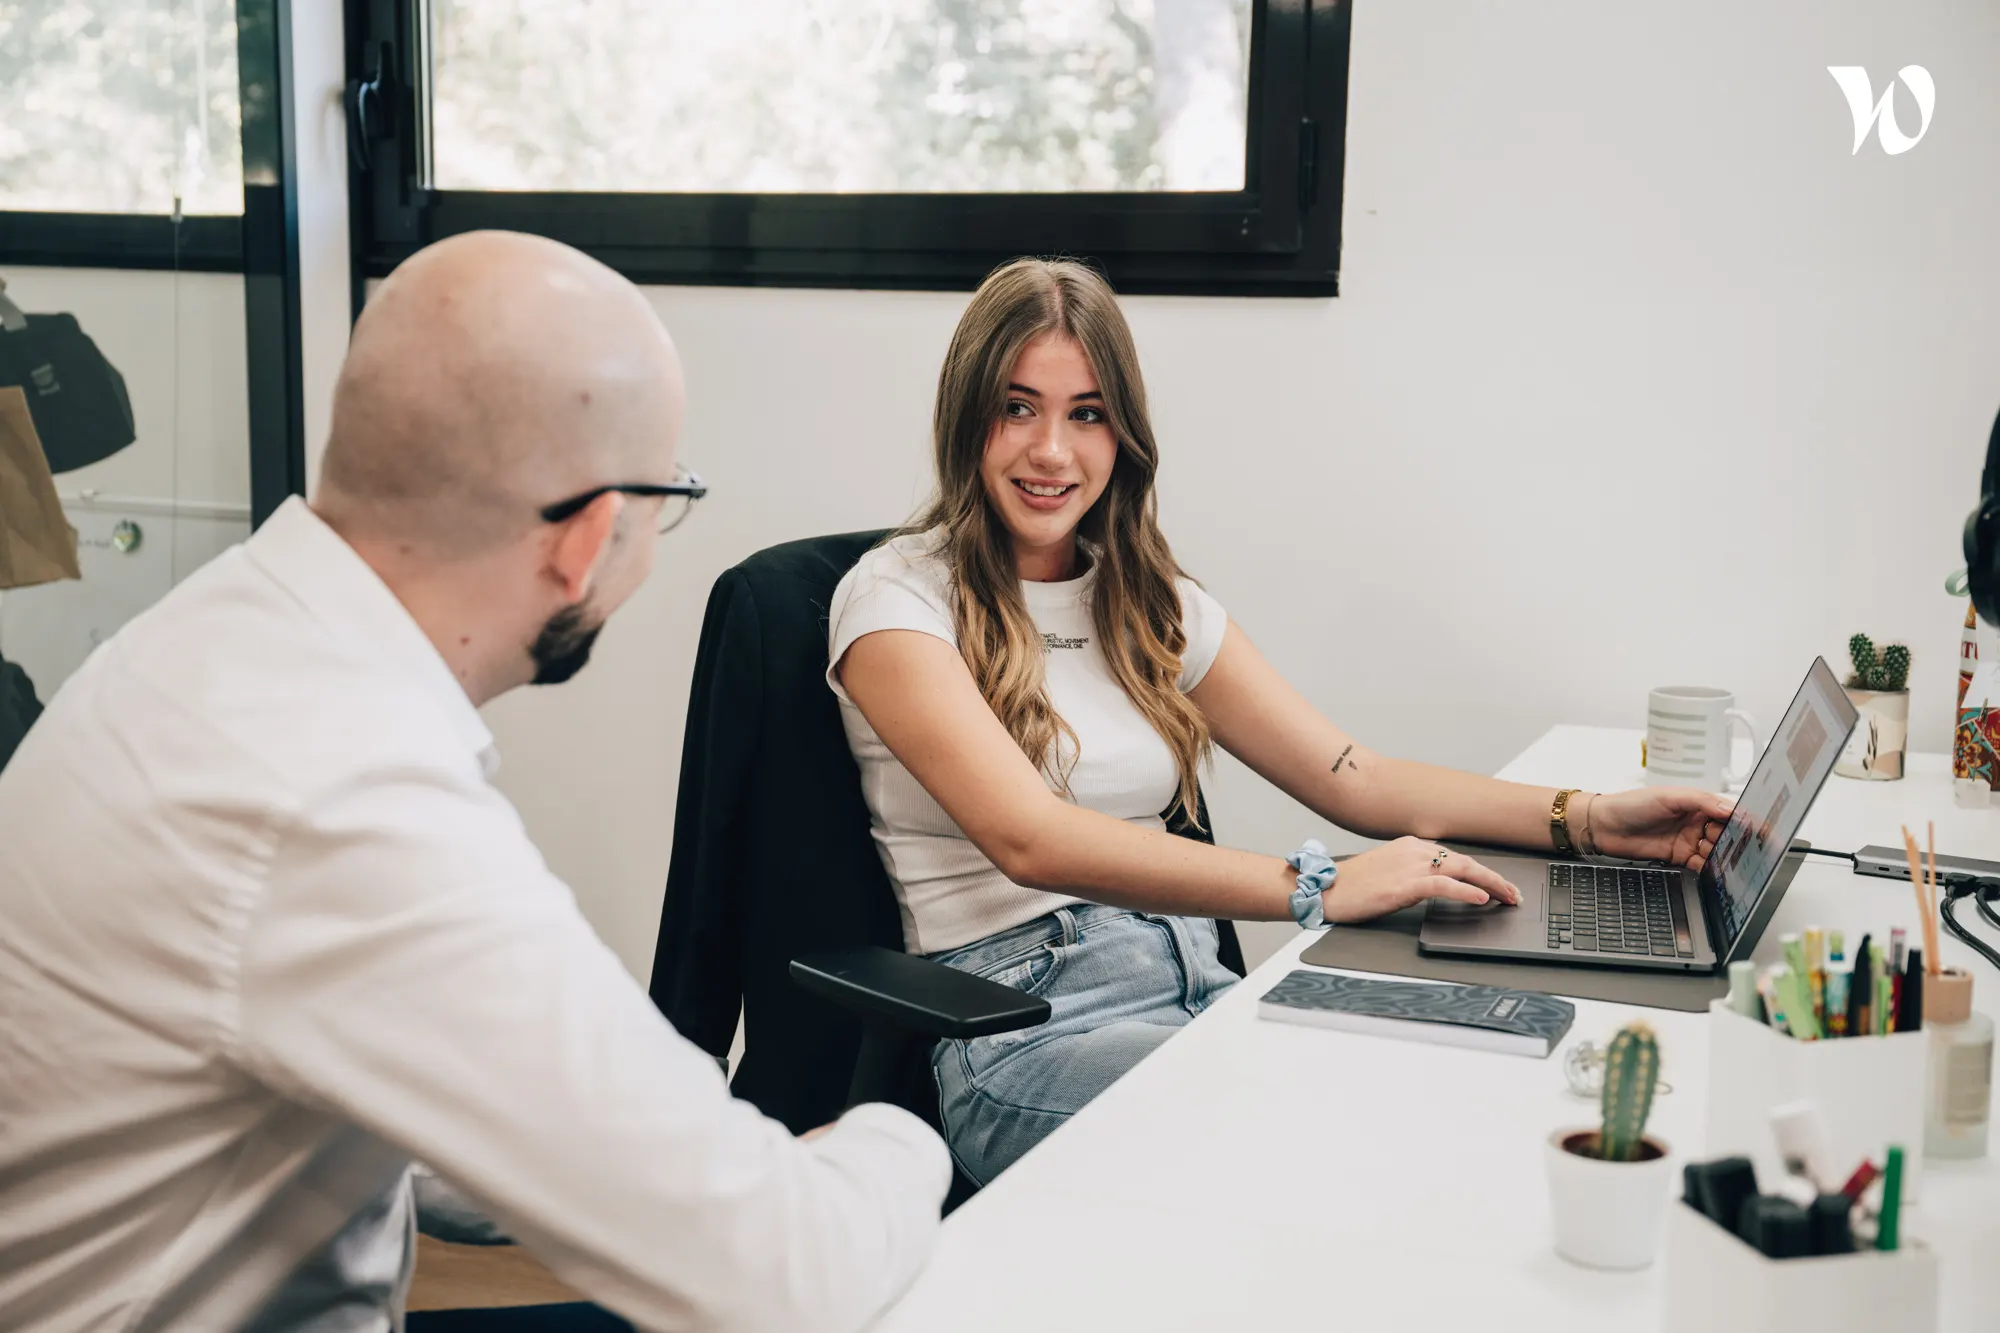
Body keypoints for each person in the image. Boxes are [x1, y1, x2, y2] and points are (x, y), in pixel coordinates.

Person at [0, 232, 950, 1333]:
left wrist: (696, 1155)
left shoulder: (225, 644)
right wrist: (893, 1138)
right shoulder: (340, 789)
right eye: (668, 500)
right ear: (589, 535)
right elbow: (789, 1280)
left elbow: (420, 1115)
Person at [827, 257, 1734, 1186]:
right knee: (1313, 1143)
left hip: (1194, 983)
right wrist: (1318, 886)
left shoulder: (1144, 601)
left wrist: (1592, 819)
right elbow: (1031, 838)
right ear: (964, 415)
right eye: (1017, 407)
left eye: (1087, 413)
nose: (1053, 450)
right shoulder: (897, 600)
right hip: (1028, 1031)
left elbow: (1356, 776)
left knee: (1450, 1080)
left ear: (1123, 434)